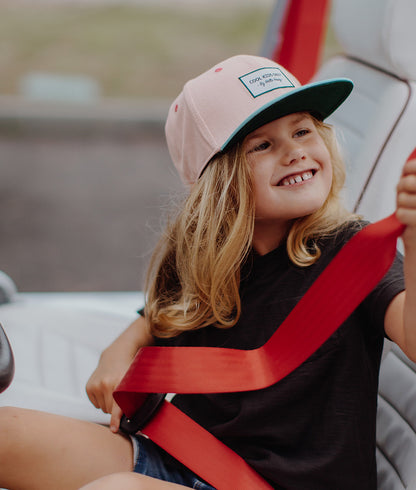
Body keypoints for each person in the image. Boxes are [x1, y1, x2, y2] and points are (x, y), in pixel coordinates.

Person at [1, 54, 416, 490]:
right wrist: (121, 349)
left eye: (302, 131)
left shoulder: (352, 251)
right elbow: (159, 316)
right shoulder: (204, 256)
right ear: (220, 179)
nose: (295, 152)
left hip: (278, 484)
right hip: (187, 456)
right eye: (263, 145)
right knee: (6, 430)